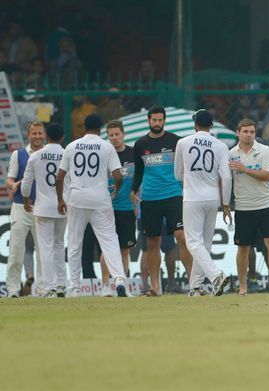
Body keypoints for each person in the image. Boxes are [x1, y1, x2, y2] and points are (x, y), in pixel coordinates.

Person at [56, 114, 128, 298]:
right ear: (101, 129)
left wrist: (60, 200)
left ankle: (74, 287)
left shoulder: (71, 146)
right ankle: (119, 279)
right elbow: (118, 176)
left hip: (77, 198)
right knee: (110, 240)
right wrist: (115, 191)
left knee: (74, 243)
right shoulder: (107, 147)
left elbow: (60, 177)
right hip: (99, 198)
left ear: (84, 127)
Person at [229, 118, 269, 296]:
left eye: (252, 132)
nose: (249, 135)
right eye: (245, 131)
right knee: (243, 247)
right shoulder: (231, 154)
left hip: (265, 205)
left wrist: (245, 168)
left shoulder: (264, 150)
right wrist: (225, 204)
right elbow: (226, 180)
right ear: (238, 133)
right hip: (243, 207)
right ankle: (243, 287)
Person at [174, 110, 232, 297]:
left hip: (192, 196)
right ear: (211, 125)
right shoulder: (221, 146)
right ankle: (196, 287)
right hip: (213, 197)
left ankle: (216, 276)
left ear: (195, 124)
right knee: (205, 244)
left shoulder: (183, 143)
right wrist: (225, 203)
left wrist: (191, 179)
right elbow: (226, 177)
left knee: (193, 242)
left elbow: (178, 174)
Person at [132, 106, 189, 296]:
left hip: (173, 195)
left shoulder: (176, 141)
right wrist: (133, 190)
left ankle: (194, 284)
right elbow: (139, 171)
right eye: (154, 120)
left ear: (164, 120)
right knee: (152, 242)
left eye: (160, 120)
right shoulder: (140, 144)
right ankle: (155, 286)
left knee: (182, 237)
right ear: (148, 120)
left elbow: (184, 168)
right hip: (150, 198)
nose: (157, 123)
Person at [21, 124, 66, 297]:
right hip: (62, 206)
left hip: (43, 206)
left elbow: (26, 184)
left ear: (46, 135)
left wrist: (26, 199)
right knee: (59, 245)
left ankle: (50, 287)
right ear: (62, 137)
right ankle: (62, 284)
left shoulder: (36, 156)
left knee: (45, 248)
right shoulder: (66, 153)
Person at [95, 120, 138, 296]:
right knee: (107, 248)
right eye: (111, 135)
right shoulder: (104, 154)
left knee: (124, 249)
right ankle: (105, 286)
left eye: (117, 134)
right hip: (107, 208)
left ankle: (122, 285)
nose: (114, 138)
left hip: (127, 208)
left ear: (123, 134)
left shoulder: (132, 154)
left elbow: (138, 177)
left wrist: (136, 197)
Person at [5, 120, 45, 297]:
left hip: (43, 208)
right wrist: (13, 186)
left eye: (39, 133)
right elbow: (9, 180)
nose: (37, 136)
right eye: (34, 133)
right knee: (16, 250)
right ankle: (13, 290)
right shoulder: (18, 155)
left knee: (43, 251)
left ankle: (43, 289)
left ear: (44, 134)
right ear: (28, 135)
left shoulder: (49, 154)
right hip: (21, 207)